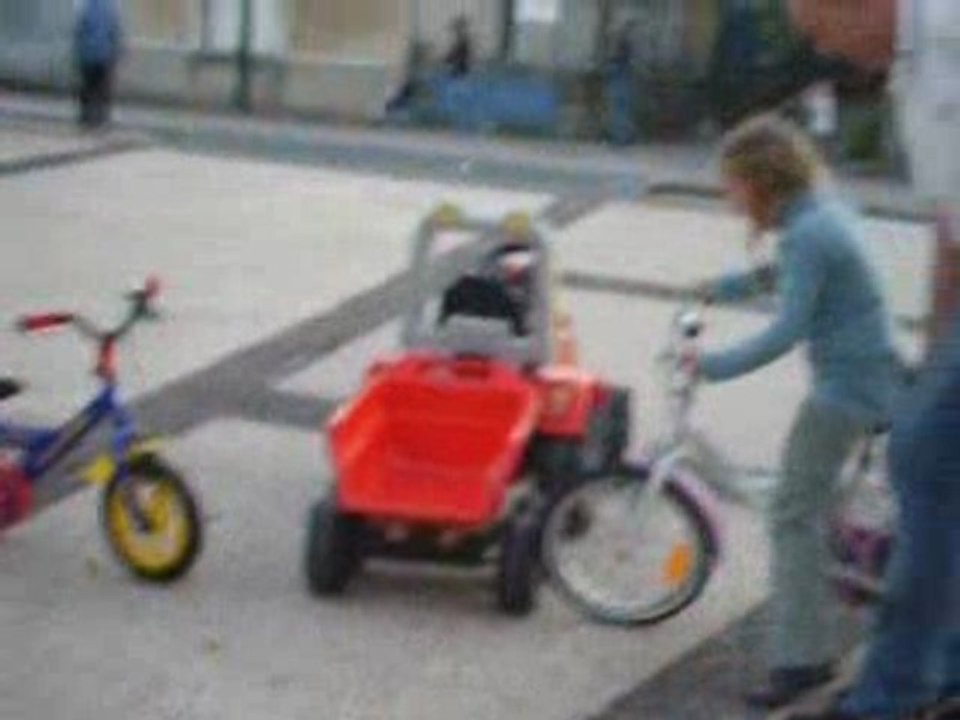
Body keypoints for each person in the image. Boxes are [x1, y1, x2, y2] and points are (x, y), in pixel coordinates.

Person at [783, 2, 960, 719]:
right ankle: (940, 669)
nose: (824, 48)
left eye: (819, 27)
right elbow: (952, 226)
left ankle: (893, 695)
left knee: (926, 458)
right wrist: (934, 347)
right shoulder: (909, 73)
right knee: (931, 457)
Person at [693, 115, 899, 711]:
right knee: (816, 509)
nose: (729, 199)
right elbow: (782, 277)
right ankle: (837, 602)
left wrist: (712, 366)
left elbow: (788, 327)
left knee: (790, 515)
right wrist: (719, 287)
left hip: (848, 390)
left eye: (733, 185)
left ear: (762, 179)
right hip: (873, 376)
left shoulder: (808, 233)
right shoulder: (819, 215)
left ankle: (802, 658)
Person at [74, 0, 123, 129]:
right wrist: (116, 52)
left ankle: (86, 116)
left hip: (88, 54)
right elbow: (115, 31)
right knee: (102, 88)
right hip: (104, 53)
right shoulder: (110, 6)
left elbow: (80, 30)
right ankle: (101, 117)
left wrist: (78, 52)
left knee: (88, 87)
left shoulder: (86, 6)